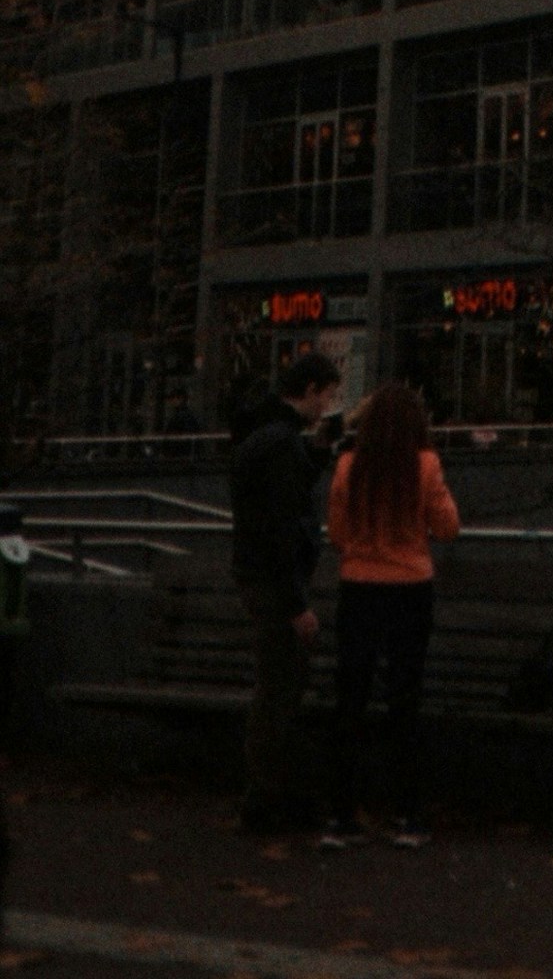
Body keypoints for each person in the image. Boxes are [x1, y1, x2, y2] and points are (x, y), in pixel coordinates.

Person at [322, 383, 460, 848]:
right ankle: (407, 814)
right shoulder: (425, 465)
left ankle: (340, 816)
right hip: (409, 589)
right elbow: (447, 527)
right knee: (405, 698)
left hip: (358, 588)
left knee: (351, 699)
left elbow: (338, 535)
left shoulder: (347, 467)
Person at [229, 350, 343, 832]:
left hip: (259, 577)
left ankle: (270, 794)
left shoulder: (265, 435)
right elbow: (280, 524)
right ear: (312, 390)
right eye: (329, 396)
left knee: (276, 686)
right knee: (280, 689)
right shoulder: (279, 444)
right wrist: (297, 603)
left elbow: (277, 499)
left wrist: (315, 452)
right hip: (276, 585)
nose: (329, 406)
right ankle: (269, 798)